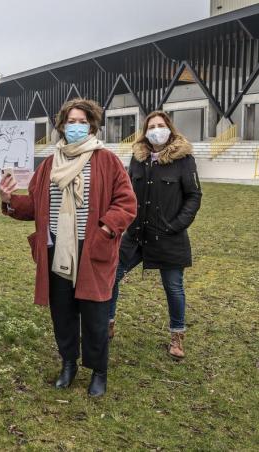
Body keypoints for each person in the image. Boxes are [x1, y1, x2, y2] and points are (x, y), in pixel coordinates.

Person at [0, 98, 136, 396]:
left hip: (92, 250)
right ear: (61, 125)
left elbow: (126, 203)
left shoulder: (106, 160)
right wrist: (10, 200)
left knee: (95, 314)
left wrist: (104, 229)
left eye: (81, 121)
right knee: (62, 312)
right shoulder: (49, 164)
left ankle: (99, 371)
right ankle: (68, 363)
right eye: (70, 121)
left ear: (92, 125)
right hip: (56, 249)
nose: (75, 126)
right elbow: (35, 205)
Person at [108, 111, 202, 359]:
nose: (156, 129)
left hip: (169, 237)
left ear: (170, 128)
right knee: (111, 275)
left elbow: (194, 196)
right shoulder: (138, 159)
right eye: (152, 126)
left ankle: (177, 336)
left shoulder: (184, 160)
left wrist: (177, 225)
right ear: (145, 131)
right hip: (136, 235)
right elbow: (126, 190)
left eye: (161, 125)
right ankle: (107, 322)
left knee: (173, 287)